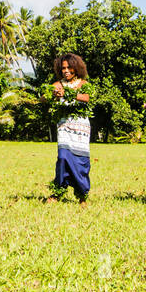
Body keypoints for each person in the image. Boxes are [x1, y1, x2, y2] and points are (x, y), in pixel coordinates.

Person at [46, 53, 92, 203]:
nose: (66, 71)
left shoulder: (83, 84)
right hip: (64, 125)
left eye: (69, 68)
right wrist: (52, 95)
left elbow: (86, 98)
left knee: (80, 161)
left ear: (76, 68)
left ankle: (82, 195)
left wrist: (68, 94)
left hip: (81, 126)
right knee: (63, 157)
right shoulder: (57, 85)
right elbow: (43, 97)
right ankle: (58, 191)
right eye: (63, 68)